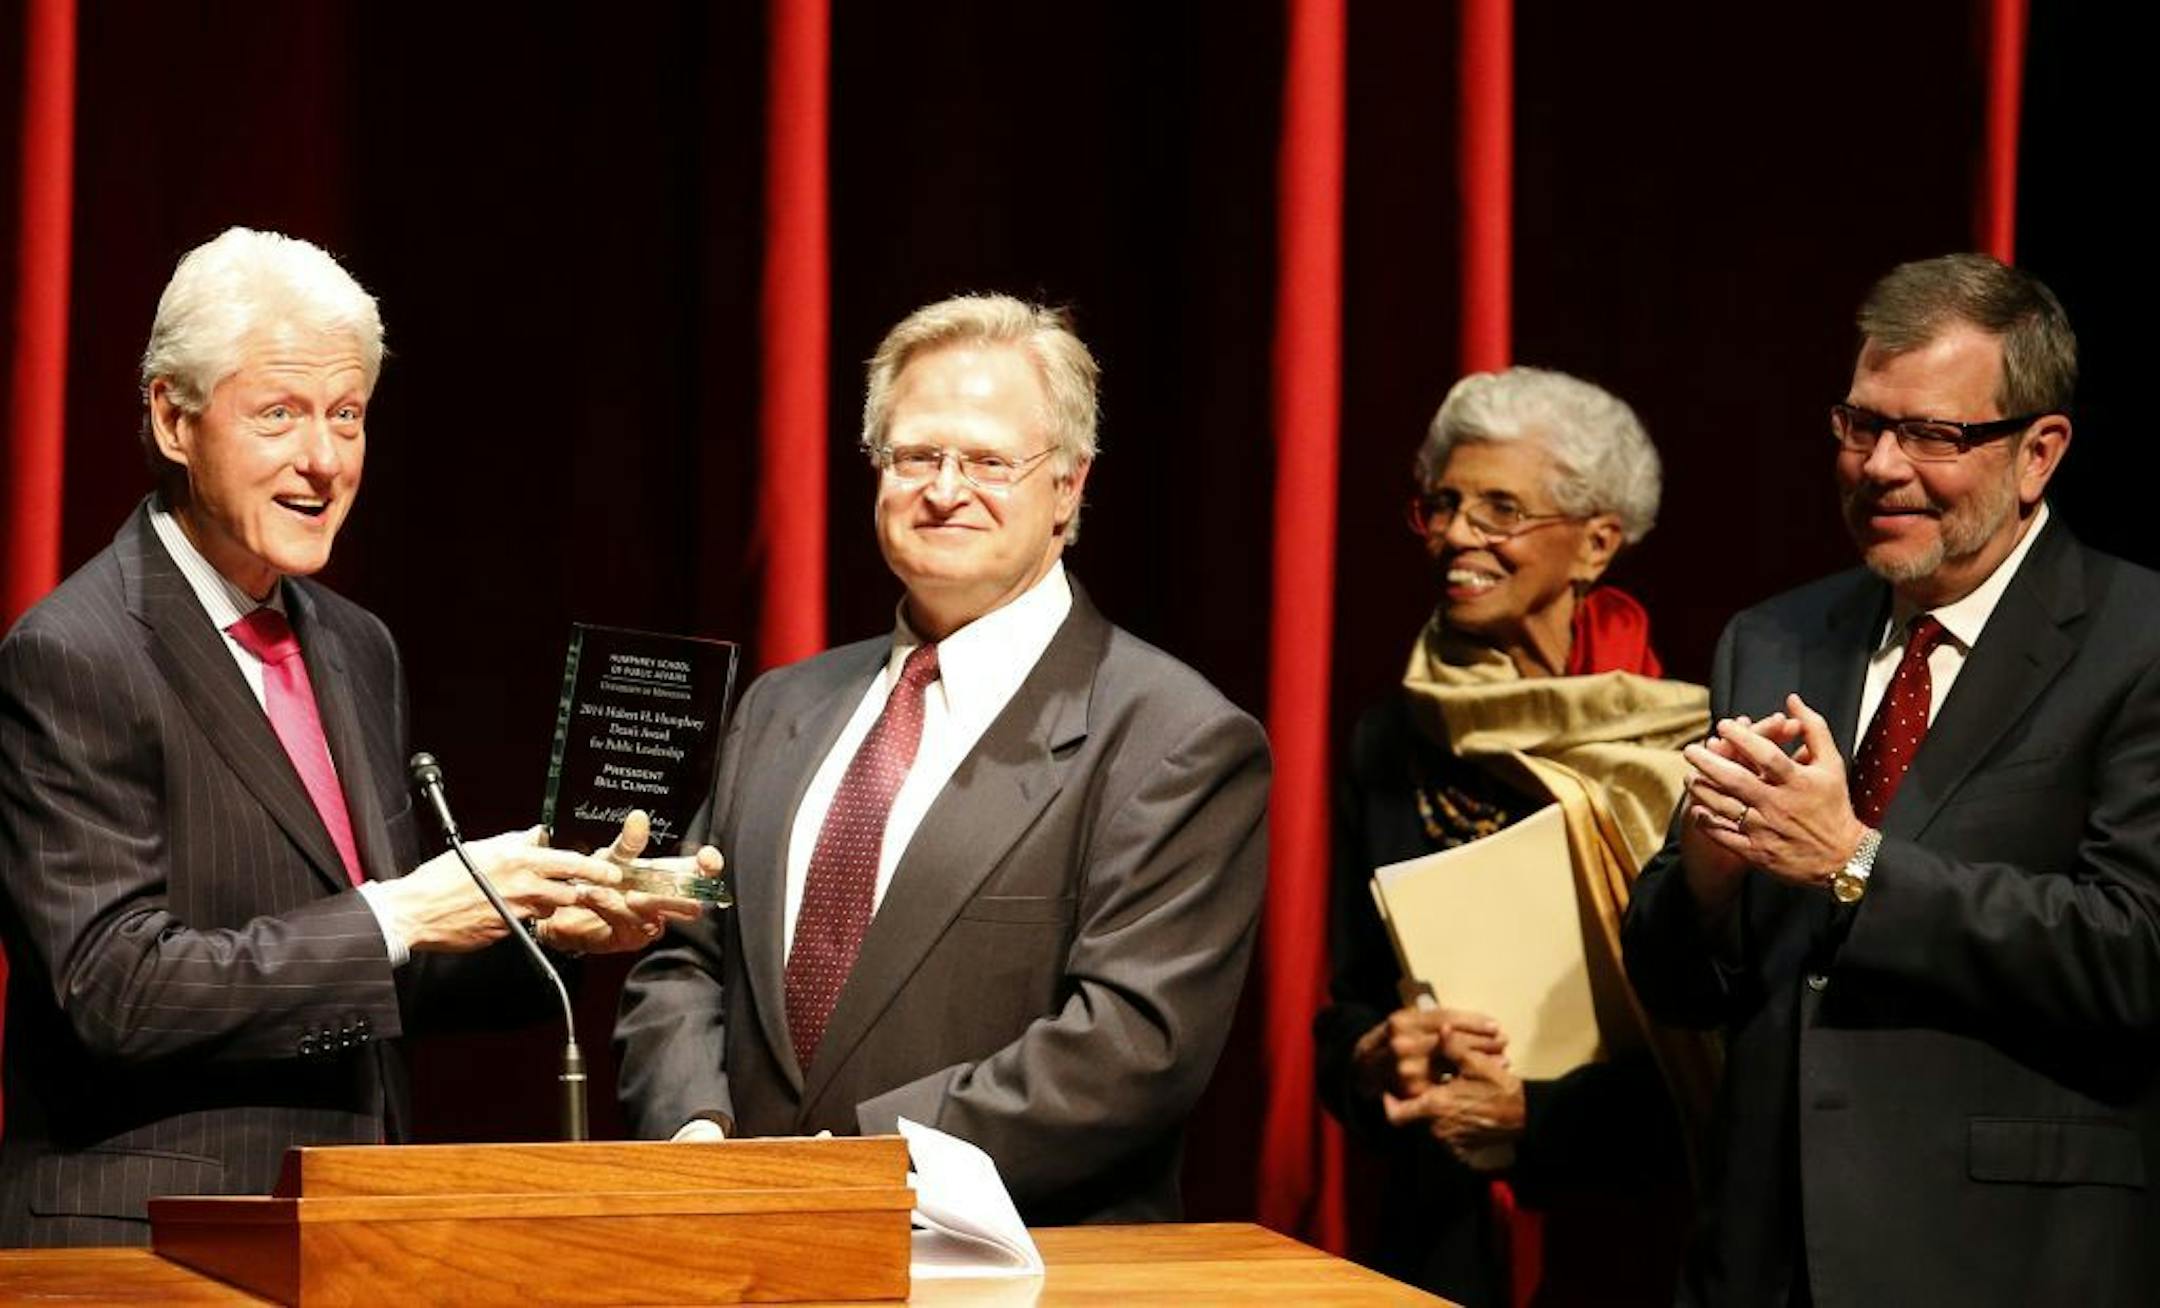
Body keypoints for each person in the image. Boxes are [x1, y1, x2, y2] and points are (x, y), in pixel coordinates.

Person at [0, 228, 698, 1248]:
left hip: (348, 1230)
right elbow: (114, 990)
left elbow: (370, 967)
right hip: (148, 1247)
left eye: (346, 416)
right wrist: (402, 912)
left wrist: (540, 927)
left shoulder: (355, 646)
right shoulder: (74, 653)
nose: (322, 460)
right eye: (278, 414)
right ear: (170, 416)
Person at [615, 293, 1270, 1224]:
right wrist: (695, 1131)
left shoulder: (1175, 738)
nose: (946, 488)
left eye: (991, 460)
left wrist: (851, 1171)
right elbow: (682, 954)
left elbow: (1130, 1047)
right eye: (916, 454)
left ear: (1070, 487)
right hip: (736, 1245)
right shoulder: (779, 707)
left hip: (1008, 1268)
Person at [1623, 253, 2160, 1306]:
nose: (1878, 466)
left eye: (1933, 436)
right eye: (1861, 425)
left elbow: (2136, 954)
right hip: (1764, 1255)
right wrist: (1708, 878)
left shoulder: (2136, 641)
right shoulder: (1772, 639)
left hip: (2005, 1257)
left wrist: (1853, 862)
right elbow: (1681, 982)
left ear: (2039, 452)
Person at [1314, 367, 1711, 1306]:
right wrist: (1378, 1056)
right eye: (1443, 506)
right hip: (1441, 1242)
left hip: (1639, 1240)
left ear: (1596, 544)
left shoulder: (1687, 748)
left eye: (1500, 511)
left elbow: (1726, 1049)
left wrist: (1536, 1116)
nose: (1457, 535)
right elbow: (1347, 1014)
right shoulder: (1391, 736)